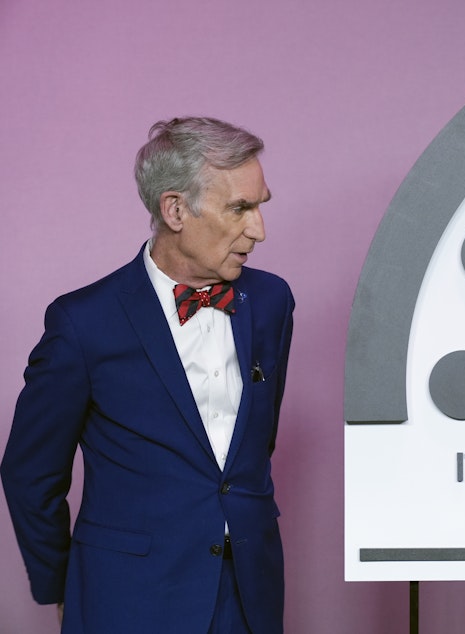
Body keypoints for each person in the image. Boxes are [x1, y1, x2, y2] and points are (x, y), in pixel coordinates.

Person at [1, 117, 294, 633]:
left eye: (260, 205)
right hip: (129, 599)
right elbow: (30, 473)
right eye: (240, 208)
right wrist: (60, 585)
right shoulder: (82, 323)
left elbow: (255, 442)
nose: (259, 230)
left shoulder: (272, 301)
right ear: (175, 209)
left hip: (250, 594)